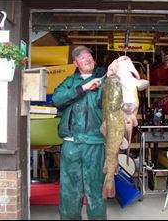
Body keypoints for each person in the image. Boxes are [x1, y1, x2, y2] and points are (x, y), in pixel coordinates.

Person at [52, 46, 108, 220]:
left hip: (95, 143)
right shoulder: (69, 81)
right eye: (81, 57)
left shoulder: (105, 80)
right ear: (75, 63)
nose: (86, 58)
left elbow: (115, 99)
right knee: (69, 190)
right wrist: (82, 88)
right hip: (71, 144)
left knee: (96, 189)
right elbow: (57, 99)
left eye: (89, 55)